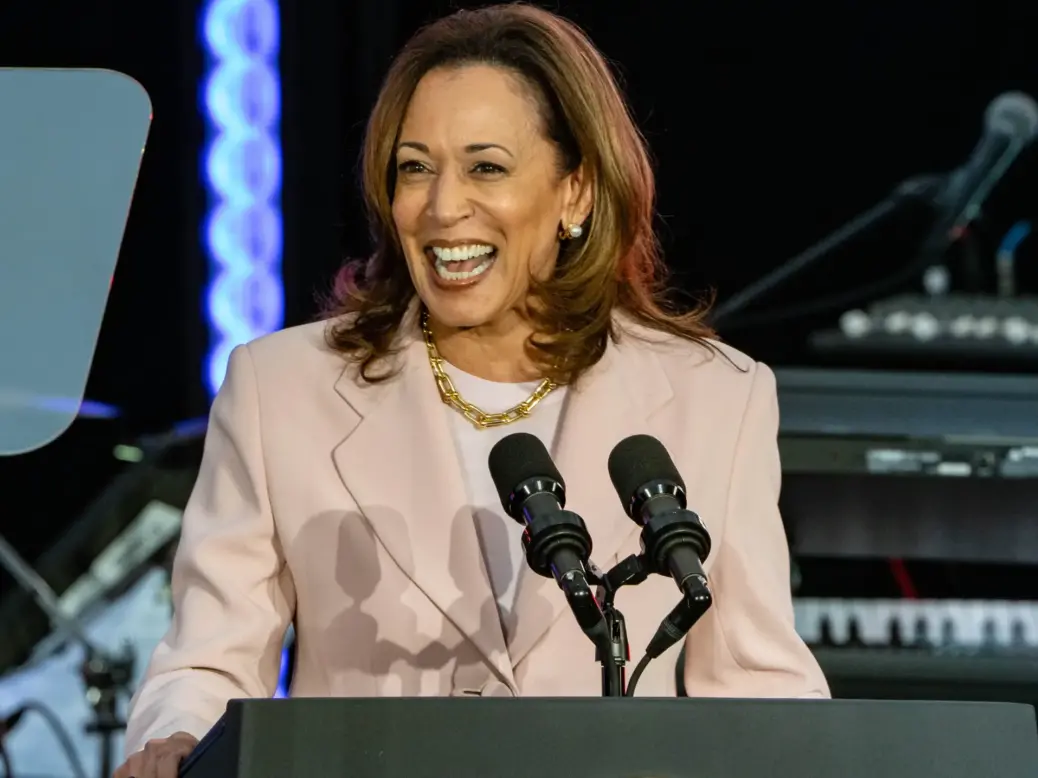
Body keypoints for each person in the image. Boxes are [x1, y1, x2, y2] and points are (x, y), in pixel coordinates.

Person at [115, 3, 828, 776]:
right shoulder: (281, 390)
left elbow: (762, 691)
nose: (442, 206)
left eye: (486, 166)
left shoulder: (715, 398)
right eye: (415, 167)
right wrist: (177, 739)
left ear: (576, 193)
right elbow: (207, 660)